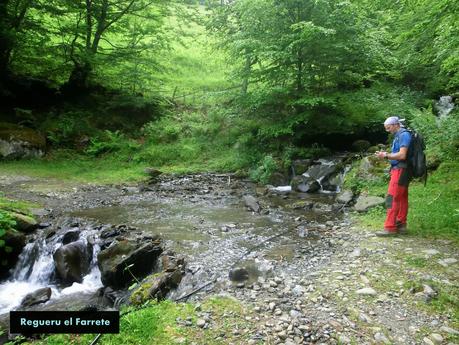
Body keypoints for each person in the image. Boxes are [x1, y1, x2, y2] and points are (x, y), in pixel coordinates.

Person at [374, 116, 412, 236]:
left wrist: (386, 155)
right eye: (386, 128)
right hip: (402, 170)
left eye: (388, 128)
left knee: (392, 197)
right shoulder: (400, 135)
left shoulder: (403, 135)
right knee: (402, 197)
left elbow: (402, 155)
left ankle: (390, 227)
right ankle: (401, 225)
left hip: (400, 170)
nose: (388, 130)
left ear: (396, 125)